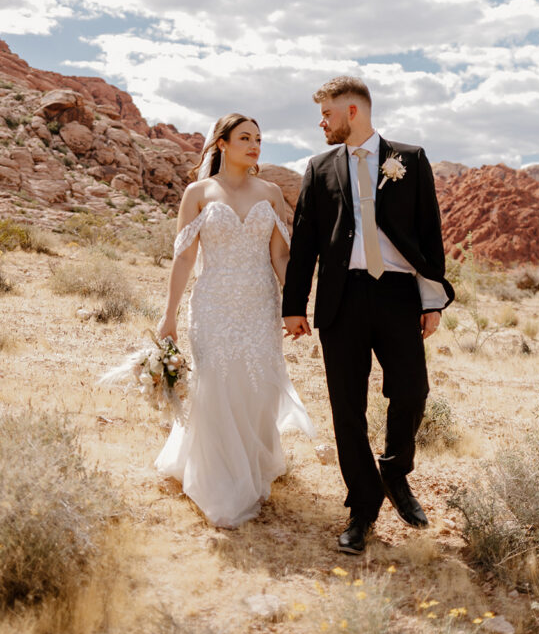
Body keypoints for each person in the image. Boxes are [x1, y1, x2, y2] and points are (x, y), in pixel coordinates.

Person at [283, 77, 453, 554]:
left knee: (412, 389)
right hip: (343, 298)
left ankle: (395, 473)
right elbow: (305, 243)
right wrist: (294, 305)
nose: (321, 122)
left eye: (327, 114)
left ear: (352, 111)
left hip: (398, 294)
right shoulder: (319, 168)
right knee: (346, 407)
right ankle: (363, 506)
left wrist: (430, 299)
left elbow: (429, 234)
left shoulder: (411, 159)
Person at [156, 113, 314, 528]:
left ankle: (250, 465)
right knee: (217, 383)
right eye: (245, 137)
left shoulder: (273, 192)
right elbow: (185, 256)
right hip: (213, 305)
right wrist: (168, 315)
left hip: (260, 304)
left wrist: (293, 306)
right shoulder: (199, 192)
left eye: (259, 138)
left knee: (257, 385)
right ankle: (219, 482)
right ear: (221, 143)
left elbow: (280, 254)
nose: (254, 144)